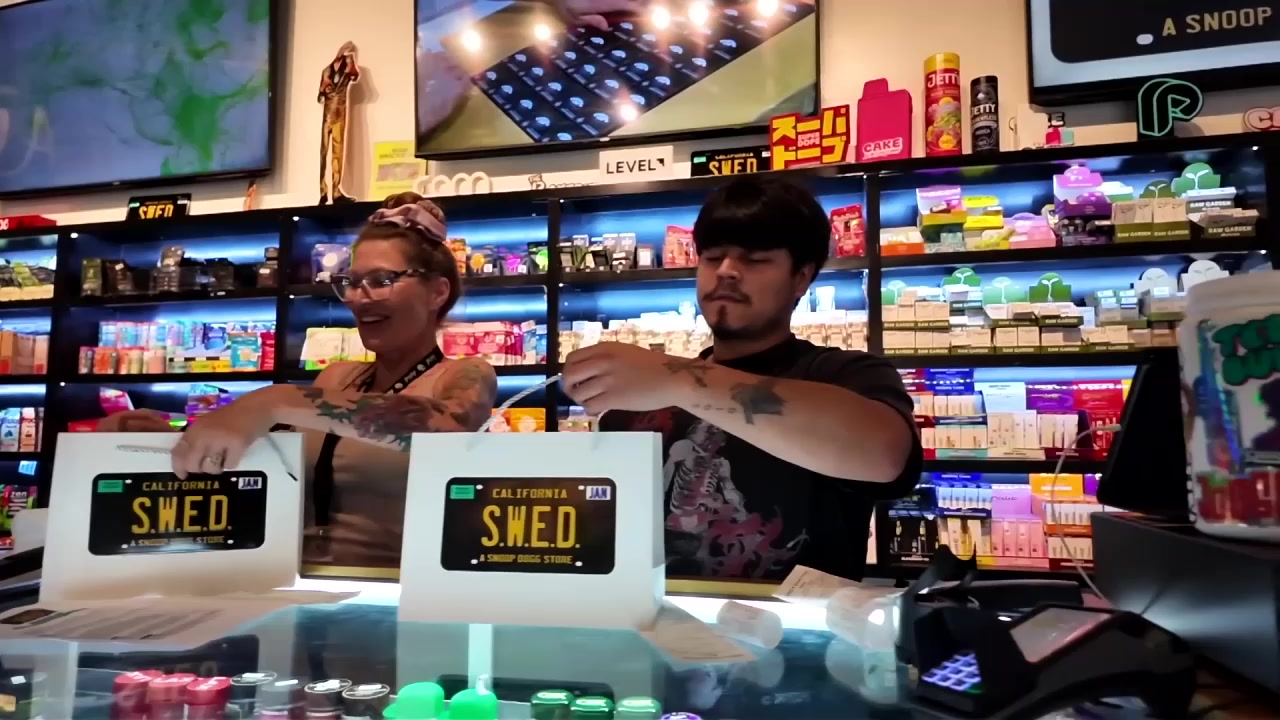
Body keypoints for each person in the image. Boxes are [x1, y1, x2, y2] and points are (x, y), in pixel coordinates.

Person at [99, 193, 498, 567]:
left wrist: (274, 400)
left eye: (380, 280)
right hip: (297, 582)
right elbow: (268, 452)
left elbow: (443, 428)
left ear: (437, 292)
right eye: (351, 282)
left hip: (396, 589)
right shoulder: (337, 376)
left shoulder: (466, 373)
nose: (358, 298)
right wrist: (172, 436)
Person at [564, 176, 921, 581]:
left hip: (800, 623)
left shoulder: (845, 375)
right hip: (652, 619)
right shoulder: (636, 399)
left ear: (801, 278)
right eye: (712, 257)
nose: (727, 271)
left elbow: (884, 454)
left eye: (754, 259)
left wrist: (676, 379)